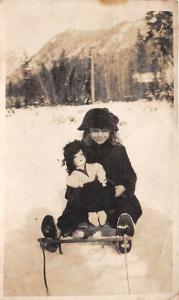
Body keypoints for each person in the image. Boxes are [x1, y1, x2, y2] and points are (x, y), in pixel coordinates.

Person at [78, 108, 142, 238]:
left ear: (111, 132)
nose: (100, 135)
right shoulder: (81, 151)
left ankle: (119, 227)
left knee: (129, 207)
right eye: (95, 131)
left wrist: (124, 187)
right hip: (91, 195)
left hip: (114, 195)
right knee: (76, 208)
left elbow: (129, 174)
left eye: (104, 131)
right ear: (87, 132)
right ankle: (66, 229)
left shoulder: (118, 150)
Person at [57, 140, 115, 234]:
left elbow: (100, 169)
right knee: (72, 212)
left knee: (104, 186)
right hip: (84, 203)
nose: (80, 158)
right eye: (75, 157)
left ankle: (101, 212)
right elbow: (70, 184)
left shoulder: (93, 166)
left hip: (99, 199)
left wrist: (101, 178)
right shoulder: (74, 175)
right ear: (71, 161)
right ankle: (64, 228)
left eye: (81, 154)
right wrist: (80, 185)